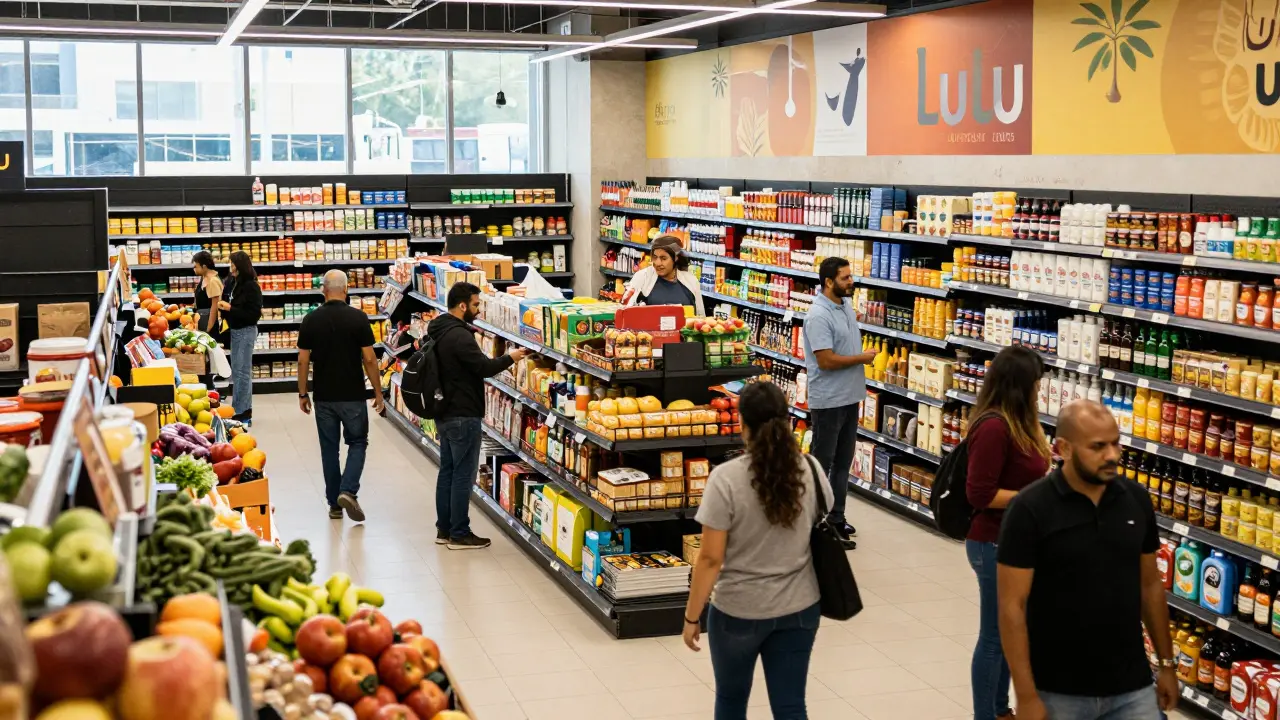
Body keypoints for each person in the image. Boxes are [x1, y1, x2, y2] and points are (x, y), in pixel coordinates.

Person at [998, 400, 1178, 720]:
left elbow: (1150, 585)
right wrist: (1025, 695)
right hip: (1057, 689)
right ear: (1064, 448)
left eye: (1115, 443)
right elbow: (1012, 606)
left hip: (1131, 685)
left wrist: (1166, 664)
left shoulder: (1135, 499)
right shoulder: (1029, 509)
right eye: (1097, 447)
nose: (1112, 455)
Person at [682, 381, 831, 720]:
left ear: (741, 423)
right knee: (791, 705)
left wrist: (692, 617)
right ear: (787, 420)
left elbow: (710, 558)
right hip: (799, 607)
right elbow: (819, 520)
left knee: (732, 703)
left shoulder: (726, 479)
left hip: (738, 611)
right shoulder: (810, 469)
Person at [963, 346, 1052, 720]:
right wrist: (1036, 498)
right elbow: (979, 494)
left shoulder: (1021, 422)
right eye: (1034, 384)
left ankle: (1000, 710)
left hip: (1017, 542)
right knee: (995, 639)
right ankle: (986, 714)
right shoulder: (995, 426)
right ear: (1018, 386)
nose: (1038, 391)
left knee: (1010, 634)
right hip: (992, 542)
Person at [426, 281, 529, 550]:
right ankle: (459, 534)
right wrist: (512, 357)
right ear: (462, 305)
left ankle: (444, 529)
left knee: (447, 470)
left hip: (443, 410)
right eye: (475, 304)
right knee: (463, 474)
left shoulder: (437, 328)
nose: (478, 309)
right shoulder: (461, 336)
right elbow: (483, 367)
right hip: (463, 412)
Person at [297, 270, 385, 522]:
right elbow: (369, 358)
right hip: (352, 395)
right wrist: (377, 392)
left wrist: (303, 393)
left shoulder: (310, 320)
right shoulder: (358, 318)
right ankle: (348, 490)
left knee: (329, 449)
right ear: (346, 290)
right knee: (357, 443)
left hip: (324, 396)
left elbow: (303, 361)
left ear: (323, 290)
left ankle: (334, 504)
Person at [801, 256, 876, 549]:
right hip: (829, 400)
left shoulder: (845, 305)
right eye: (845, 278)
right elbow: (826, 360)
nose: (851, 282)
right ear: (828, 282)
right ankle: (816, 523)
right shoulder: (818, 315)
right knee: (823, 463)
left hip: (850, 396)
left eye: (850, 276)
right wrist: (862, 358)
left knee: (843, 463)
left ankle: (836, 517)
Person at [218, 250, 262, 424]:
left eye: (233, 264)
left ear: (241, 265)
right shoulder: (231, 281)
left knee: (242, 373)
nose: (231, 267)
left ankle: (244, 413)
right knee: (237, 372)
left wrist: (230, 309)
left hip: (246, 331)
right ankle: (237, 408)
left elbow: (253, 315)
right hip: (235, 331)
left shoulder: (251, 286)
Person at [623, 234, 705, 315]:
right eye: (655, 257)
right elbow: (626, 311)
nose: (658, 263)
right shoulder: (642, 277)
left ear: (676, 258)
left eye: (663, 258)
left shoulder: (691, 282)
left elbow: (701, 317)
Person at [191, 251, 222, 335]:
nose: (194, 269)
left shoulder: (213, 281)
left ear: (204, 267)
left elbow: (215, 306)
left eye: (196, 267)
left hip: (210, 325)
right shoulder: (203, 278)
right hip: (201, 321)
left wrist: (208, 328)